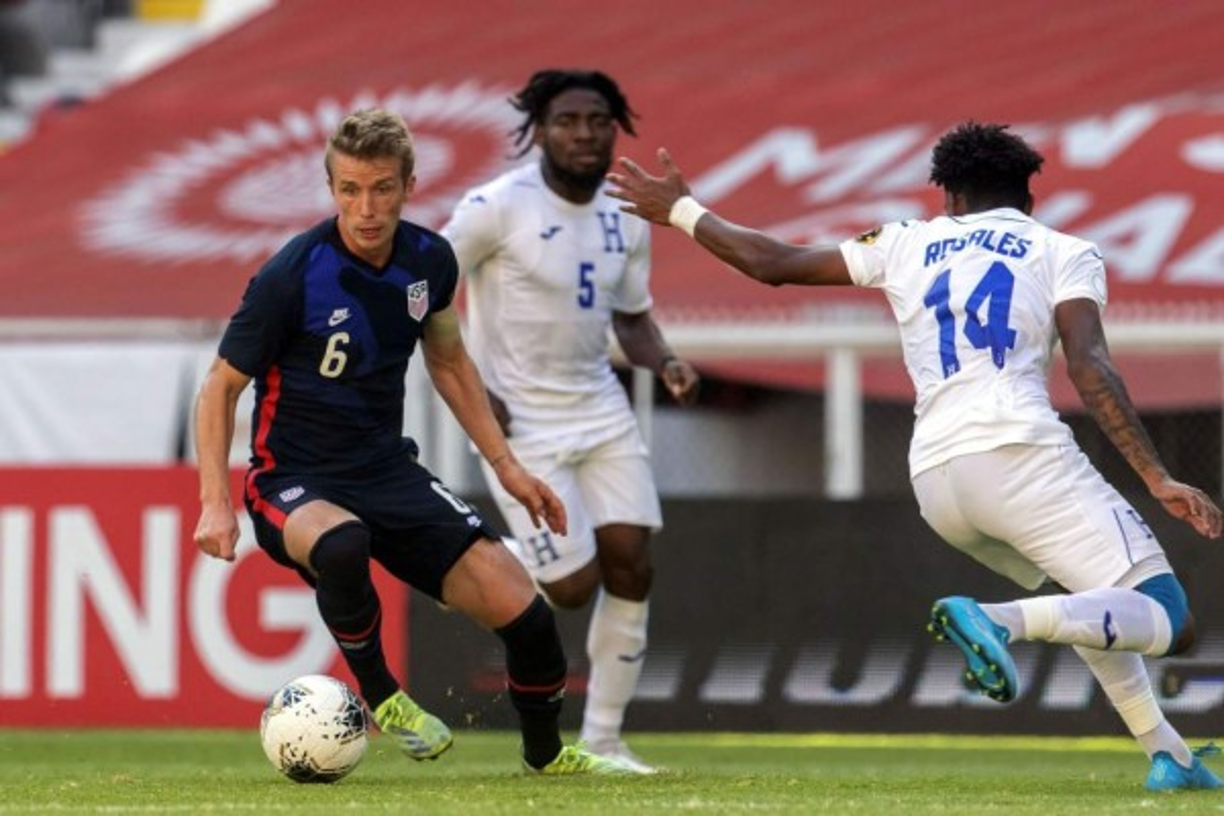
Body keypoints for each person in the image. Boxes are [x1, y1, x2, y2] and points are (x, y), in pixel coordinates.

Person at [607, 121, 1224, 792]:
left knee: (1091, 599)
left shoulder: (907, 240)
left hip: (936, 477)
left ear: (948, 197)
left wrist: (681, 209)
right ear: (1028, 197)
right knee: (1168, 615)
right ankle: (996, 620)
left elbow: (773, 263)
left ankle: (1170, 756)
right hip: (1018, 453)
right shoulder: (1064, 250)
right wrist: (1155, 475)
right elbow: (1090, 365)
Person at [192, 108, 634, 776]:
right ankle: (384, 698)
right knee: (343, 543)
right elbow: (219, 388)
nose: (366, 208)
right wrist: (215, 503)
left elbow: (449, 361)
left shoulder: (429, 261)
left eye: (382, 189)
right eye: (349, 190)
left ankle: (546, 758)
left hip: (388, 473)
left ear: (409, 186)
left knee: (527, 614)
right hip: (292, 478)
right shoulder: (292, 275)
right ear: (332, 189)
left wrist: (508, 468)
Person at [441, 69, 700, 774]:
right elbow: (420, 289)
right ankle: (468, 561)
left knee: (633, 565)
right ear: (539, 131)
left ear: (616, 130)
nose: (583, 134)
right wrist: (471, 388)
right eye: (567, 121)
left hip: (601, 407)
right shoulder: (495, 207)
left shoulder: (625, 211)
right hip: (521, 422)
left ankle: (607, 741)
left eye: (597, 121)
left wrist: (667, 361)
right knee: (572, 587)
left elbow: (631, 316)